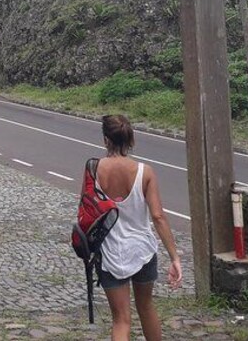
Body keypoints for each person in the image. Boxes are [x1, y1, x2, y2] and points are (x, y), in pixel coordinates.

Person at [91, 114, 182, 341]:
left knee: (121, 319)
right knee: (146, 307)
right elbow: (158, 216)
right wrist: (175, 257)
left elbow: (89, 212)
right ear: (131, 140)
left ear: (106, 140)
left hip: (110, 252)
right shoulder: (145, 172)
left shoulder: (94, 170)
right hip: (142, 250)